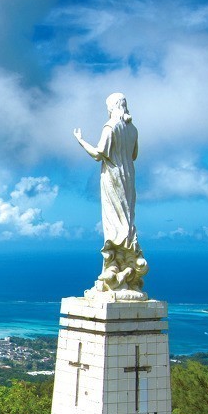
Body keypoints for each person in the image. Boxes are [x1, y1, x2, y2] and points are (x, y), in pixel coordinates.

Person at [74, 93, 146, 295]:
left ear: (112, 106)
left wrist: (81, 140)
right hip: (128, 177)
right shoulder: (133, 129)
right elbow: (134, 155)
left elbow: (98, 154)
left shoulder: (111, 126)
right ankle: (127, 264)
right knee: (126, 218)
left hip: (112, 176)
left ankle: (115, 266)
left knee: (113, 221)